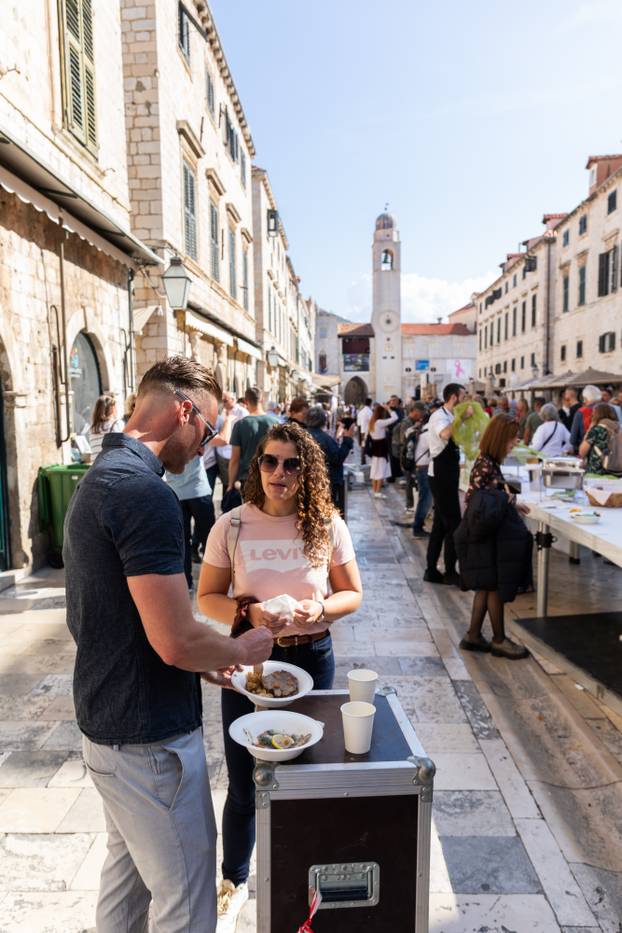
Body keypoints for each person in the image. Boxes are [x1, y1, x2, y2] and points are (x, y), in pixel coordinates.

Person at [63, 356, 272, 933]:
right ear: (183, 411)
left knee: (126, 881)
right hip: (149, 738)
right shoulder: (144, 493)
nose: (205, 449)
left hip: (107, 723)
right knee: (187, 899)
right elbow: (175, 640)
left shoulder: (101, 478)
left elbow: (123, 618)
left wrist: (204, 662)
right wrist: (240, 651)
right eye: (205, 432)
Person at [198, 422, 362, 931]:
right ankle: (234, 880)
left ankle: (303, 873)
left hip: (312, 659)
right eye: (270, 461)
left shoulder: (327, 525)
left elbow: (352, 593)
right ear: (257, 466)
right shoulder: (231, 526)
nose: (280, 473)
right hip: (251, 665)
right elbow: (206, 597)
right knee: (245, 780)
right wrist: (248, 611)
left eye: (292, 464)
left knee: (308, 774)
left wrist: (321, 609)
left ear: (306, 472)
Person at [454, 414, 531, 660]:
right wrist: (508, 499)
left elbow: (489, 498)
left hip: (484, 536)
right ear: (501, 439)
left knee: (486, 587)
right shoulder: (485, 465)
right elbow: (480, 503)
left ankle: (473, 635)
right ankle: (499, 640)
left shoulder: (487, 462)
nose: (514, 444)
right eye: (512, 439)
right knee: (494, 587)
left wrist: (511, 502)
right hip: (484, 537)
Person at [424, 383, 471, 585]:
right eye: (463, 396)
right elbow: (445, 434)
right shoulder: (439, 417)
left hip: (449, 473)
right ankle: (450, 571)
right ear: (453, 397)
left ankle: (431, 570)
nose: (465, 399)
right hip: (440, 475)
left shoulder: (450, 416)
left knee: (441, 525)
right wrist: (463, 417)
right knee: (453, 524)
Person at [166, 455, 215, 590]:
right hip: (197, 490)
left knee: (184, 542)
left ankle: (187, 583)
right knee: (210, 540)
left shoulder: (165, 439)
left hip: (177, 492)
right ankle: (214, 582)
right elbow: (223, 439)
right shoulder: (196, 435)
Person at [228, 387, 279, 493]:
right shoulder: (275, 422)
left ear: (246, 402)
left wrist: (230, 483)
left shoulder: (240, 425)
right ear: (262, 400)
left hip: (248, 478)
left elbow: (234, 459)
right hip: (271, 475)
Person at [305, 405, 355, 513]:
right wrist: (348, 439)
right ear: (323, 421)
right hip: (326, 482)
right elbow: (337, 458)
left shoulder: (302, 436)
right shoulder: (325, 439)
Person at [215, 392, 248, 493]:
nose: (223, 403)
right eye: (222, 401)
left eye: (225, 401)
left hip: (235, 452)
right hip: (222, 454)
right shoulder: (222, 412)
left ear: (233, 400)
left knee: (235, 484)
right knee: (225, 484)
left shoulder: (242, 412)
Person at [579, 403, 620, 474]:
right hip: (618, 472)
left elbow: (582, 452)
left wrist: (590, 429)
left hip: (598, 471)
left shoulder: (597, 430)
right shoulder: (619, 428)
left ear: (596, 415)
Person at [367, 403, 398, 497]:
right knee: (380, 470)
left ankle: (375, 491)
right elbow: (395, 418)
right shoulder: (379, 422)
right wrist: (389, 408)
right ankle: (377, 492)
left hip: (375, 448)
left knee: (375, 470)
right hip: (381, 448)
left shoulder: (372, 422)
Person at [398, 403, 423, 514]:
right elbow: (405, 439)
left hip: (410, 455)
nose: (421, 416)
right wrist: (415, 429)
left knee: (412, 481)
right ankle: (409, 505)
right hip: (407, 456)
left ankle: (412, 504)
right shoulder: (406, 423)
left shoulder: (411, 422)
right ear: (415, 412)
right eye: (420, 413)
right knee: (409, 481)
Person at [570, 384, 601, 452]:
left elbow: (573, 440)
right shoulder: (610, 409)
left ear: (585, 399)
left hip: (587, 452)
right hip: (608, 453)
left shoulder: (580, 413)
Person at [387, 395, 405, 482]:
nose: (392, 402)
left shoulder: (400, 411)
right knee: (391, 456)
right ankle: (392, 474)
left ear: (398, 402)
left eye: (394, 400)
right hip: (390, 436)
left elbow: (401, 422)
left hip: (397, 436)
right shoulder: (388, 411)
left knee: (396, 455)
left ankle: (396, 473)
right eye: (391, 400)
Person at [357, 396, 373, 464]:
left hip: (361, 430)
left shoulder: (361, 411)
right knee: (366, 445)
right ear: (370, 403)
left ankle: (362, 460)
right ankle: (364, 460)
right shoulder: (369, 411)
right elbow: (372, 421)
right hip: (366, 431)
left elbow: (358, 423)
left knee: (362, 446)